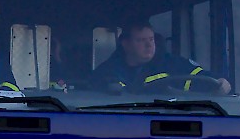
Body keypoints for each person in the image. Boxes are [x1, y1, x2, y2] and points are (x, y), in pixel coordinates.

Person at [90, 22, 231, 94]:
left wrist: (221, 82)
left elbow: (202, 78)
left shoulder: (172, 63)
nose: (148, 45)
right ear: (126, 44)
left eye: (151, 39)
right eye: (141, 40)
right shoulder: (107, 72)